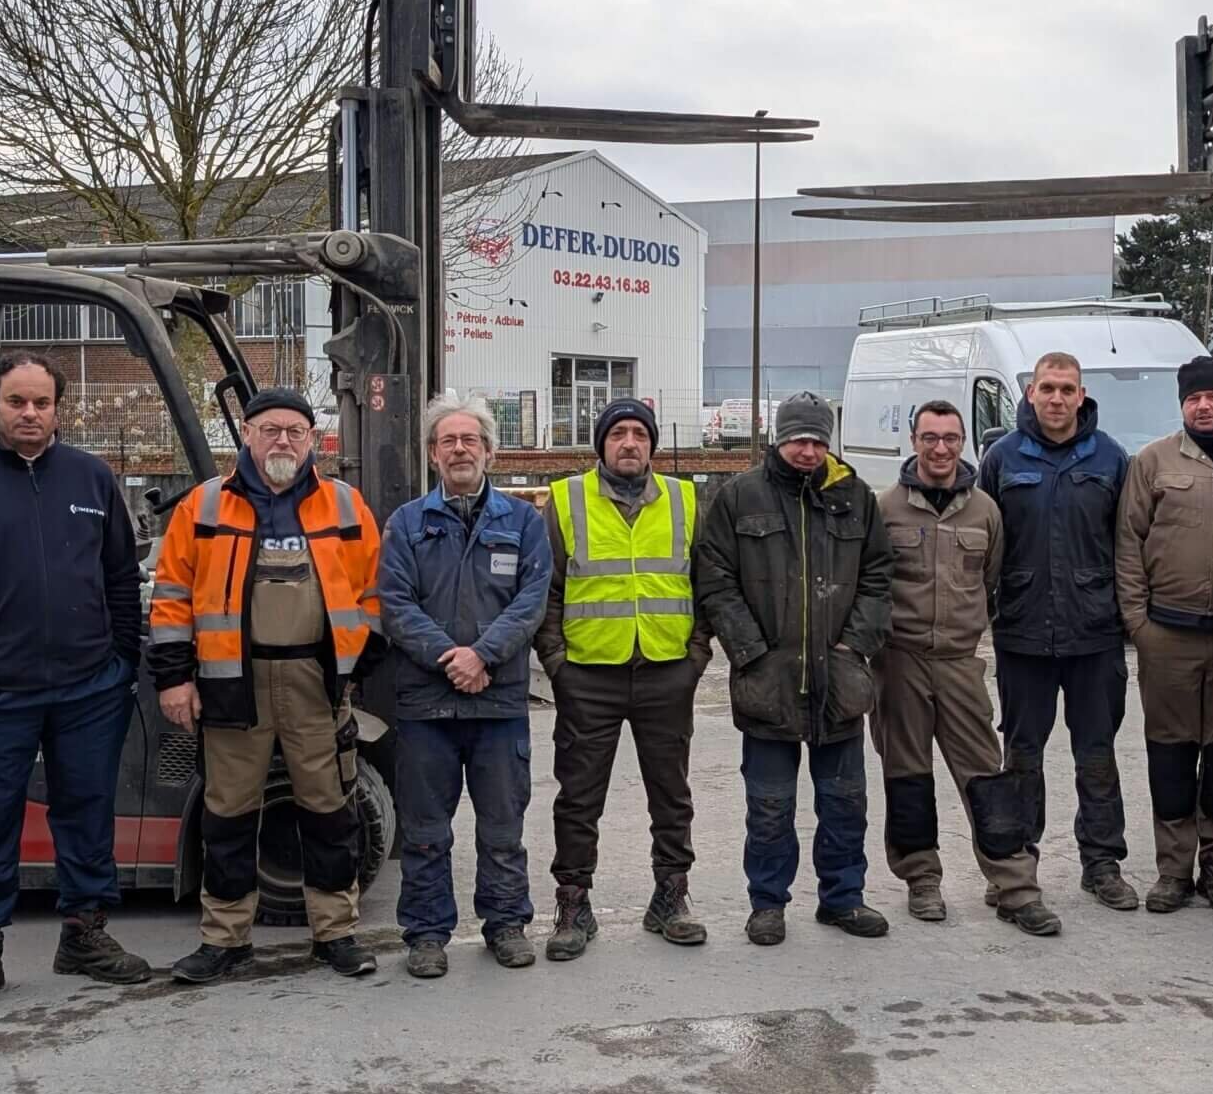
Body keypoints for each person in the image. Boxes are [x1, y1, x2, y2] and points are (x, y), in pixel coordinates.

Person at [0, 350, 153, 1019]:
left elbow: (119, 580)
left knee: (87, 814)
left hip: (87, 690)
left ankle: (85, 937)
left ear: (58, 408)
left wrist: (120, 664)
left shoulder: (91, 479)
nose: (30, 414)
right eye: (17, 401)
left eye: (42, 403)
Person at [150, 387, 386, 984]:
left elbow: (376, 593)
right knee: (227, 815)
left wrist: (356, 668)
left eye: (295, 431)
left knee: (331, 811)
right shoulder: (204, 507)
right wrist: (175, 679)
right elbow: (172, 599)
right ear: (247, 436)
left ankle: (336, 934)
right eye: (270, 429)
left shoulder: (345, 505)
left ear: (313, 440)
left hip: (314, 684)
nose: (283, 440)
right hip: (232, 683)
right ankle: (225, 941)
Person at [691, 392, 894, 947]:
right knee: (770, 806)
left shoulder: (855, 498)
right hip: (769, 681)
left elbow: (878, 578)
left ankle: (843, 899)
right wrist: (749, 651)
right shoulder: (739, 497)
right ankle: (767, 904)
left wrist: (854, 648)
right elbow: (714, 579)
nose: (807, 451)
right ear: (778, 441)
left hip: (841, 682)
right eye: (798, 440)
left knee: (845, 801)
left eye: (817, 441)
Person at [377, 393, 554, 975]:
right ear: (432, 454)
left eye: (470, 440)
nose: (459, 449)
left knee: (503, 827)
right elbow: (395, 605)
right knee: (426, 831)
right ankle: (426, 934)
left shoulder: (524, 522)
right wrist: (449, 657)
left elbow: (532, 603)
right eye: (448, 441)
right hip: (427, 705)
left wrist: (482, 656)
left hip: (498, 703)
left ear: (489, 452)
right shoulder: (407, 524)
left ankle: (505, 924)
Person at [873, 401, 1060, 936]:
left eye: (950, 438)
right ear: (913, 441)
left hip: (959, 662)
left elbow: (992, 582)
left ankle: (1015, 886)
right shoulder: (885, 509)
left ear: (963, 443)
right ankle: (921, 880)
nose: (940, 448)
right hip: (900, 662)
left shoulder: (985, 512)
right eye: (929, 437)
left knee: (987, 777)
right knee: (907, 776)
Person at [535, 397, 712, 960]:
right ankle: (573, 902)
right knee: (579, 796)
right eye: (618, 434)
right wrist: (557, 663)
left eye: (640, 434)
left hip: (666, 670)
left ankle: (671, 895)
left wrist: (696, 656)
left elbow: (707, 584)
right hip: (588, 674)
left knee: (672, 793)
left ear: (653, 445)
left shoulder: (685, 499)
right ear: (602, 445)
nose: (630, 443)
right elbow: (547, 592)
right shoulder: (565, 500)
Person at [978, 352, 1137, 912]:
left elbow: (1130, 545)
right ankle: (1019, 867)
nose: (1056, 398)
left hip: (1094, 634)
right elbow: (983, 543)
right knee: (1022, 754)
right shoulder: (1001, 458)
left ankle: (1102, 864)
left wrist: (1128, 616)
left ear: (1082, 393)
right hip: (1022, 635)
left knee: (1096, 754)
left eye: (1067, 388)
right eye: (1046, 387)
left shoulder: (1112, 458)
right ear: (1029, 393)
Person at [1116, 355, 1213, 917]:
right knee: (1172, 756)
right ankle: (1173, 871)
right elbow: (1128, 547)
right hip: (1169, 637)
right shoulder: (1152, 462)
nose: (1203, 406)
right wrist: (1139, 625)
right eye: (1192, 399)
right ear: (1181, 405)